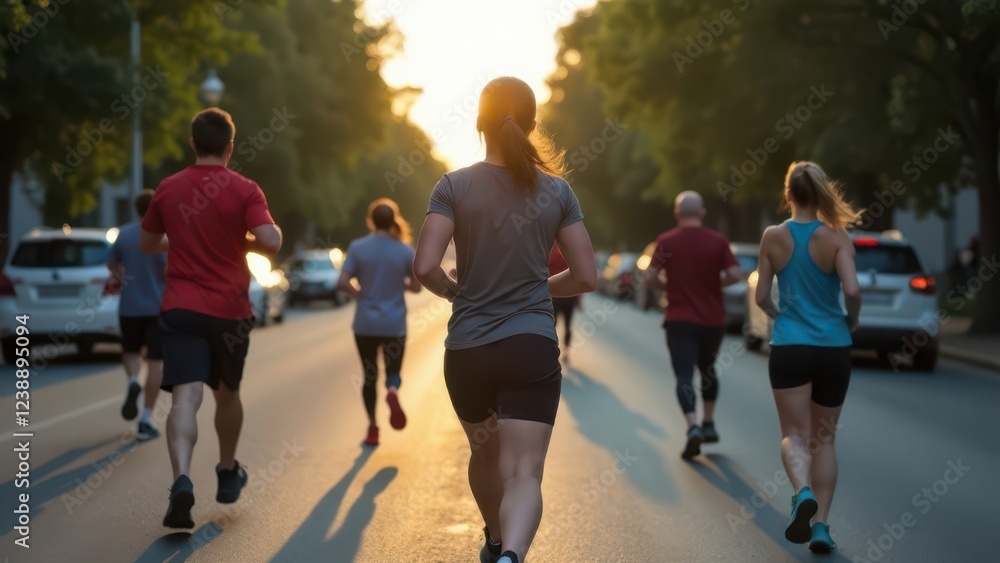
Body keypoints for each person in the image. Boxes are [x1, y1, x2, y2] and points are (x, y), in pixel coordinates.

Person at [413, 77, 596, 563]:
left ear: (480, 123)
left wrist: (456, 292)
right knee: (523, 474)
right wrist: (539, 287)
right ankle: (513, 554)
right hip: (529, 347)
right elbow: (586, 275)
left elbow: (425, 265)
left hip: (468, 350)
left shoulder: (452, 186)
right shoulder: (557, 191)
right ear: (534, 125)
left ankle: (494, 540)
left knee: (483, 455)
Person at [140, 107, 282, 529]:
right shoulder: (245, 189)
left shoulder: (168, 188)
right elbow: (272, 241)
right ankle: (225, 471)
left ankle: (181, 480)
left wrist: (182, 238)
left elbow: (149, 244)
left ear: (192, 144)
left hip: (181, 307)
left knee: (184, 397)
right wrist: (242, 240)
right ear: (230, 147)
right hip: (230, 312)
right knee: (227, 392)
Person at [755, 161, 861, 553]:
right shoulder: (836, 236)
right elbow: (852, 289)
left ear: (789, 195)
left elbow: (762, 296)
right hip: (833, 346)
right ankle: (821, 528)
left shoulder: (773, 236)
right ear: (819, 194)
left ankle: (802, 492)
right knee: (825, 439)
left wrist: (781, 319)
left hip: (790, 347)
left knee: (793, 435)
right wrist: (851, 321)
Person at [643, 191, 743, 460]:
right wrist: (714, 284)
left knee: (684, 375)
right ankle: (709, 422)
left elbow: (649, 277)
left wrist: (668, 285)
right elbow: (735, 274)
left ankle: (693, 426)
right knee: (708, 368)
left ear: (677, 213)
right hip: (712, 320)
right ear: (702, 213)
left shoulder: (666, 241)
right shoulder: (718, 241)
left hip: (679, 319)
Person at [336, 198, 421, 447]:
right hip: (394, 325)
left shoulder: (358, 247)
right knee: (392, 372)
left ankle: (373, 427)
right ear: (394, 219)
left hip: (365, 324)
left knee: (369, 375)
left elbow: (342, 282)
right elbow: (416, 286)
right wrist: (401, 283)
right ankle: (393, 391)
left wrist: (360, 294)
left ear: (371, 220)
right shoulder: (405, 250)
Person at [107, 189, 168, 441]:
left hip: (130, 306)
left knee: (131, 351)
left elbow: (112, 266)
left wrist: (125, 280)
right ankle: (146, 418)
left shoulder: (124, 234)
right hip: (158, 308)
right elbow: (172, 269)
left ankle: (133, 379)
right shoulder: (164, 236)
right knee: (156, 362)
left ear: (135, 209)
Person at [548, 244, 580, 362]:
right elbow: (579, 278)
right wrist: (578, 300)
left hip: (554, 296)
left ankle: (550, 351)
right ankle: (566, 352)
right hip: (570, 297)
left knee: (551, 325)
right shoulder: (572, 253)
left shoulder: (551, 253)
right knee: (568, 325)